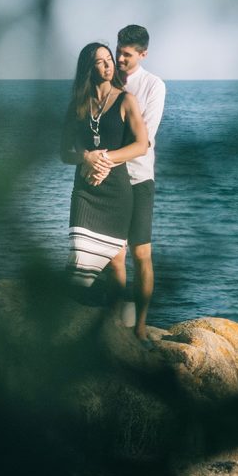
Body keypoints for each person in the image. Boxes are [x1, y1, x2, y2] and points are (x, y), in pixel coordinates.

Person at [83, 25, 165, 341]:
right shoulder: (105, 81)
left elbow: (144, 138)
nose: (119, 59)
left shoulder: (153, 86)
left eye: (127, 55)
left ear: (143, 55)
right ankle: (119, 320)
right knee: (114, 257)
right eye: (118, 52)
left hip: (139, 177)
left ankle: (141, 326)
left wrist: (103, 159)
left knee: (141, 254)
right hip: (109, 179)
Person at [60, 42, 148, 293]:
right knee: (78, 254)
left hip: (116, 191)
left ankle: (116, 323)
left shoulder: (126, 100)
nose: (109, 64)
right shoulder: (77, 104)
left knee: (116, 261)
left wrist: (104, 159)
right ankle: (73, 313)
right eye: (100, 61)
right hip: (86, 191)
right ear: (89, 67)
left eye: (109, 58)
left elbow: (141, 146)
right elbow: (64, 153)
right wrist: (86, 157)